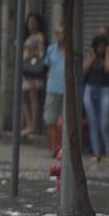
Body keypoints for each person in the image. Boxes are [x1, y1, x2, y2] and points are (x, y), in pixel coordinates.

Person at [84, 34, 109, 161]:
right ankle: (96, 153)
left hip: (105, 90)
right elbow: (83, 70)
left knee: (105, 122)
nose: (100, 49)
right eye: (98, 46)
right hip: (90, 89)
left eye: (103, 46)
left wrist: (107, 53)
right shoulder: (91, 56)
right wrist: (92, 56)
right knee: (93, 122)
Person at [21, 12, 48, 138]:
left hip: (34, 71)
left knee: (33, 96)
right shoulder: (27, 37)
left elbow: (42, 53)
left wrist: (33, 53)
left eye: (33, 22)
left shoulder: (39, 37)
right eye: (29, 22)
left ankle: (33, 125)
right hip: (26, 70)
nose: (31, 24)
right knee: (24, 97)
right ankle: (28, 123)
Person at [43, 26, 66, 156]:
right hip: (52, 88)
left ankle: (62, 148)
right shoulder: (51, 49)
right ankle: (52, 148)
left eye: (63, 34)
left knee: (64, 122)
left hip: (66, 91)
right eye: (59, 34)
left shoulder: (72, 51)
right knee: (50, 119)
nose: (61, 37)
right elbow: (46, 66)